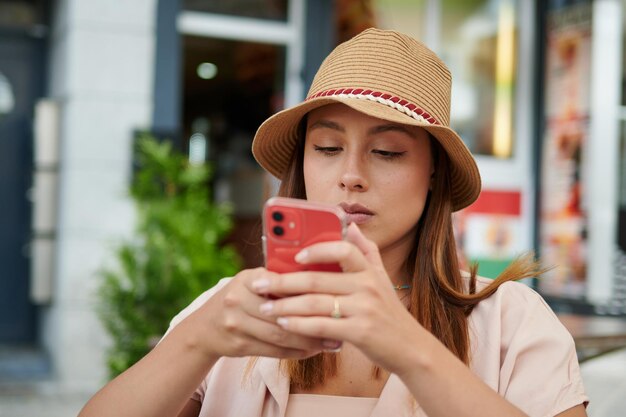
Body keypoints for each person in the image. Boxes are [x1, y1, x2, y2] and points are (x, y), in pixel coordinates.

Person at [79, 28, 588, 417]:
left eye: (387, 151)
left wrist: (409, 349)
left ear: (434, 171)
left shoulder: (511, 322)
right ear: (302, 162)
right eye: (326, 148)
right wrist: (199, 337)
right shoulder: (235, 311)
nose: (350, 176)